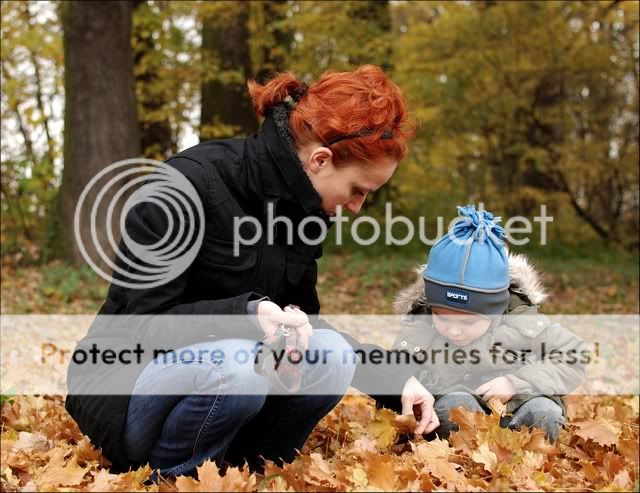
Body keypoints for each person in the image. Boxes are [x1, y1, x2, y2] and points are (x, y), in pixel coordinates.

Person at [64, 65, 420, 480]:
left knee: (331, 353)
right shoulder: (188, 183)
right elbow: (143, 325)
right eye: (358, 190)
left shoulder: (307, 213)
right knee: (235, 362)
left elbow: (303, 324)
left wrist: (397, 382)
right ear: (320, 160)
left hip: (221, 390)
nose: (357, 207)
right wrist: (246, 316)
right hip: (126, 385)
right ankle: (175, 479)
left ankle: (252, 472)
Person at [380, 204, 587, 442]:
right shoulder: (422, 328)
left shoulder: (524, 323)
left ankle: (528, 453)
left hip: (517, 405)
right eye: (442, 317)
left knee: (543, 412)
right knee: (453, 408)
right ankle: (463, 452)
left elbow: (573, 355)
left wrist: (516, 383)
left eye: (468, 322)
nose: (454, 330)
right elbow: (396, 373)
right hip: (458, 407)